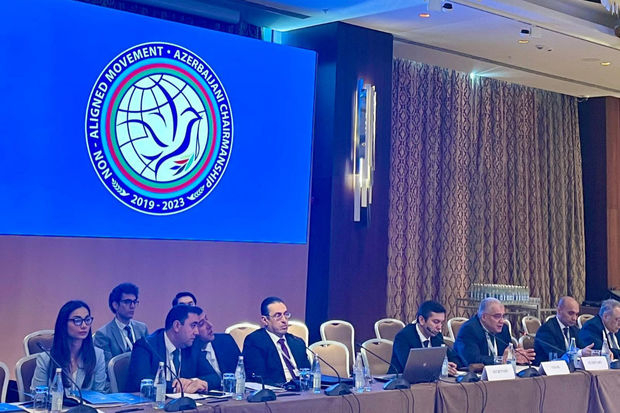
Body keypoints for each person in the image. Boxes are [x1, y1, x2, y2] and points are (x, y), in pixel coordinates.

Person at [127, 305, 220, 393]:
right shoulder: (146, 345)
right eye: (193, 326)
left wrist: (194, 382)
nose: (196, 332)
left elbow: (215, 377)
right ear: (177, 326)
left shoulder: (192, 345)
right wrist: (176, 386)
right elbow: (140, 380)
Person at [31, 300, 107, 392]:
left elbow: (100, 394)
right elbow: (37, 396)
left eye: (87, 320)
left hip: (86, 402)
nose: (84, 325)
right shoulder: (46, 359)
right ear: (63, 324)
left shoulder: (98, 355)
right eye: (77, 321)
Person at [243, 297, 310, 386]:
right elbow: (258, 378)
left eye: (286, 314)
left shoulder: (297, 342)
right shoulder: (255, 341)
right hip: (278, 391)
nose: (284, 320)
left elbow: (309, 374)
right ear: (265, 320)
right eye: (278, 316)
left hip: (302, 390)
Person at [455, 297, 535, 366]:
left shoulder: (504, 329)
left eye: (503, 316)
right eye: (497, 316)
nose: (502, 321)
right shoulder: (469, 329)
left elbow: (507, 354)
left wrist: (516, 355)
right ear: (484, 317)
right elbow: (473, 360)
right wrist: (500, 359)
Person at [389, 300, 461, 375]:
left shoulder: (437, 336)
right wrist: (439, 367)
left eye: (441, 322)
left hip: (429, 380)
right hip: (399, 380)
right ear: (422, 320)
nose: (439, 327)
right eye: (436, 322)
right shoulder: (403, 337)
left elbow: (453, 359)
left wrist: (451, 365)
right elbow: (410, 367)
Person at [94, 283, 148, 365]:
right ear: (115, 305)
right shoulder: (103, 334)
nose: (132, 306)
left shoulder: (142, 328)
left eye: (134, 302)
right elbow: (106, 366)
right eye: (127, 302)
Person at [534, 296, 593, 365]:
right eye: (570, 313)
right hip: (547, 368)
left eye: (576, 314)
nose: (574, 318)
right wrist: (580, 353)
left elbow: (582, 347)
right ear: (559, 311)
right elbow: (556, 354)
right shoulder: (546, 329)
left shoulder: (574, 329)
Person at [196, 309, 240, 378]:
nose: (210, 325)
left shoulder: (226, 340)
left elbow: (243, 370)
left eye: (207, 319)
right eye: (201, 324)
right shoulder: (188, 354)